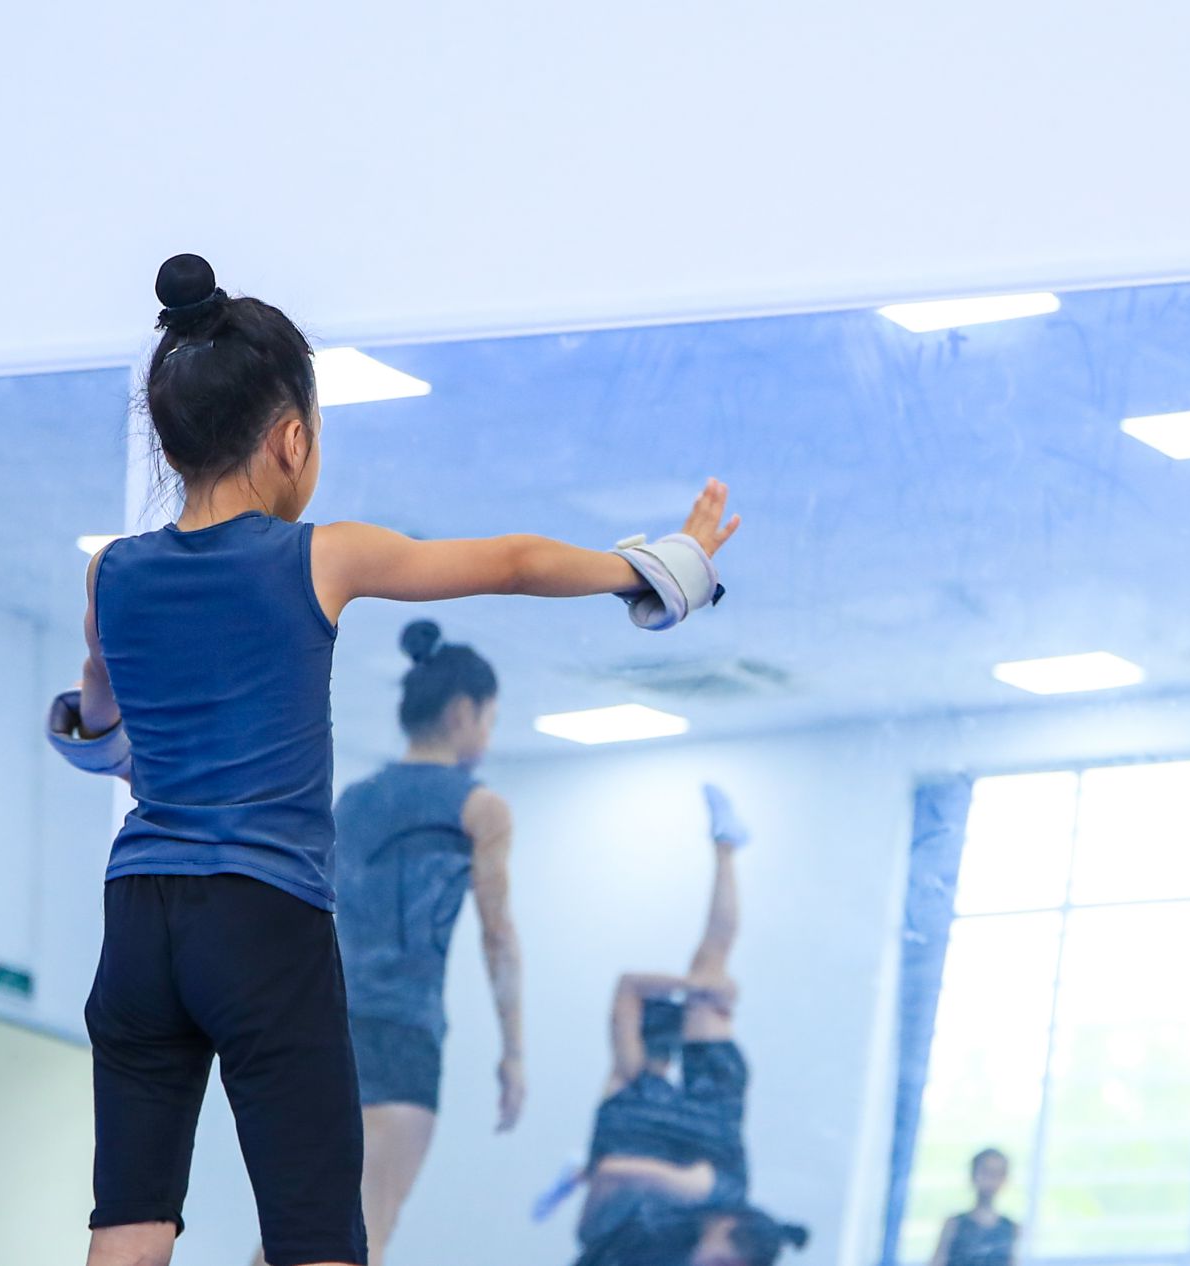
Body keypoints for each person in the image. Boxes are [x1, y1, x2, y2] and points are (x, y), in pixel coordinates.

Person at [49, 253, 738, 1266]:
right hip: (261, 918)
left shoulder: (113, 570)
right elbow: (506, 561)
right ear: (292, 441)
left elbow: (98, 717)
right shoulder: (318, 555)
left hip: (140, 912)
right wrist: (668, 565)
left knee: (131, 1223)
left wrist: (127, 754)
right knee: (320, 1236)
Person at [249, 621, 522, 1266]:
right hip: (402, 1035)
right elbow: (499, 937)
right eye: (490, 719)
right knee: (364, 1226)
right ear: (463, 713)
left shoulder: (355, 800)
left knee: (299, 1224)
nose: (488, 734)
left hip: (323, 1026)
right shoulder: (479, 807)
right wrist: (514, 1051)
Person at [571, 786, 806, 1266]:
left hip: (686, 1138)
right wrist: (700, 986)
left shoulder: (628, 1079)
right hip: (709, 1124)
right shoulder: (714, 1185)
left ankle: (726, 848)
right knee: (711, 963)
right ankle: (726, 849)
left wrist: (698, 986)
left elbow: (627, 989)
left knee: (711, 963)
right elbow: (615, 1172)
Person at [927, 1149, 1017, 1266]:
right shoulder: (954, 1224)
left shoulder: (1010, 1228)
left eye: (997, 1174)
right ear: (973, 1175)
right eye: (986, 1172)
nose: (991, 1180)